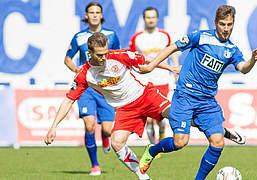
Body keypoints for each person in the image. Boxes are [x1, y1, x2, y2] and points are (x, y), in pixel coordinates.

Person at [138, 5, 257, 179]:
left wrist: (252, 60)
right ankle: (152, 150)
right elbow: (172, 47)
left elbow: (243, 68)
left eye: (229, 24)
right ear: (215, 23)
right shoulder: (201, 36)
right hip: (185, 96)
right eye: (222, 24)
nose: (226, 29)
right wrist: (151, 66)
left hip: (207, 101)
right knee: (180, 142)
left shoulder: (232, 50)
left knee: (218, 142)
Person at [45, 32, 179, 180]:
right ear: (89, 53)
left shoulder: (118, 55)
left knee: (178, 116)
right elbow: (69, 100)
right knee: (116, 143)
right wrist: (54, 126)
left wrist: (171, 68)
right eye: (99, 55)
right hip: (125, 109)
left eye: (105, 53)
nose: (104, 58)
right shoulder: (84, 74)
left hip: (145, 95)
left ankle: (155, 149)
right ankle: (143, 177)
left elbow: (147, 60)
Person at [63, 2, 120, 176]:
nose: (94, 15)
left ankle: (105, 137)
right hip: (86, 87)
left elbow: (117, 57)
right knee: (89, 125)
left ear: (101, 15)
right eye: (91, 12)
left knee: (109, 129)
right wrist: (76, 69)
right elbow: (67, 59)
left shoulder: (111, 35)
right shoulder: (79, 37)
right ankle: (95, 165)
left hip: (105, 87)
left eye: (97, 12)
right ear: (86, 16)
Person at [129, 7, 179, 145]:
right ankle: (153, 145)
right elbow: (131, 58)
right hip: (145, 81)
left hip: (162, 80)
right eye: (148, 17)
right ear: (144, 19)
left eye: (153, 17)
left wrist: (175, 69)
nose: (150, 20)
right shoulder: (137, 38)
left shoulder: (164, 35)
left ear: (157, 19)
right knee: (148, 117)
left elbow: (172, 52)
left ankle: (162, 134)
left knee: (162, 116)